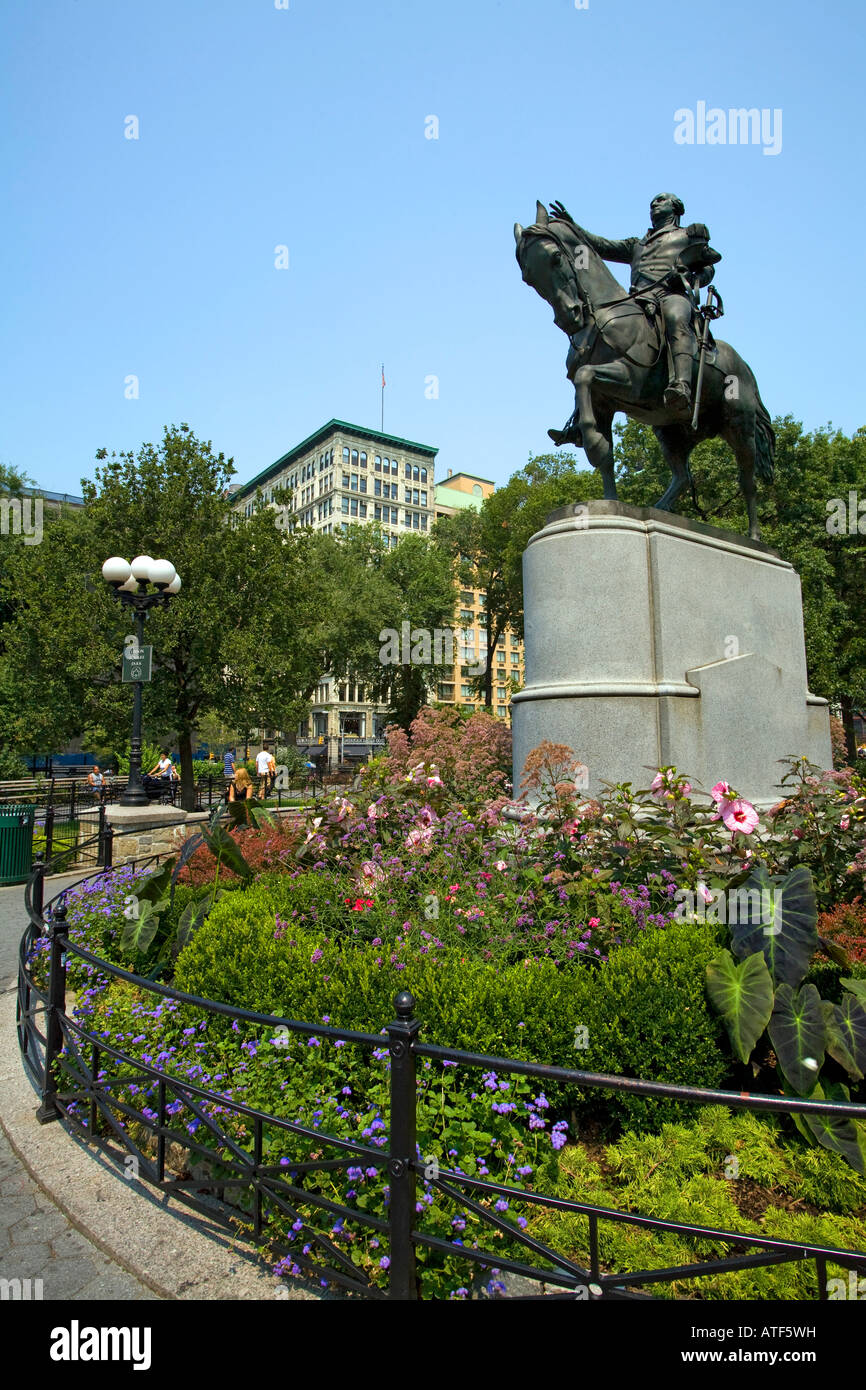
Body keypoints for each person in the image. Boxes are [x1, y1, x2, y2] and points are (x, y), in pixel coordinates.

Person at [548, 192, 721, 417]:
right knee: (597, 326)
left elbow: (708, 268)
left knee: (675, 317)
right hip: (639, 298)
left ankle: (681, 385)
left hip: (672, 294)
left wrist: (685, 279)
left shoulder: (689, 233)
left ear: (676, 208)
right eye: (652, 203)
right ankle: (579, 416)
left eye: (661, 200)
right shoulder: (637, 244)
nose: (655, 204)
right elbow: (601, 245)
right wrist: (573, 226)